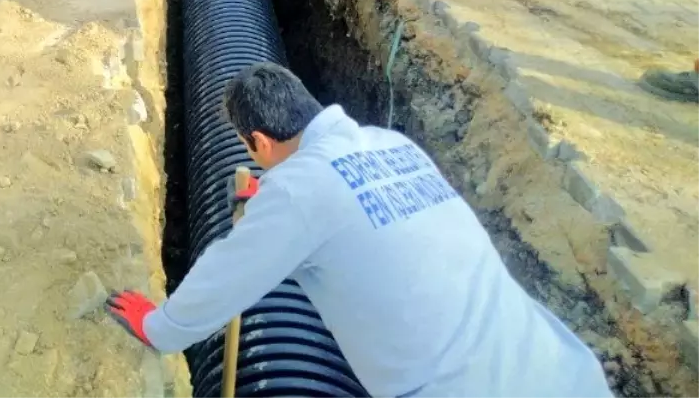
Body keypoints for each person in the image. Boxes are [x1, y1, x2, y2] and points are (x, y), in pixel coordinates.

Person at [105, 63, 613, 398]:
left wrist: (161, 327)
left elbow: (227, 274)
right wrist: (284, 210)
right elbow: (366, 210)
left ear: (257, 141)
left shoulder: (301, 192)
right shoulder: (390, 145)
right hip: (559, 368)